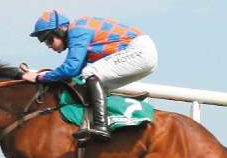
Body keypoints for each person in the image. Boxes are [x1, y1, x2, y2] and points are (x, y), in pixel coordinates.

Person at [24, 10, 158, 141]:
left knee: (90, 73)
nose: (48, 46)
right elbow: (76, 72)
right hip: (141, 54)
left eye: (49, 40)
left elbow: (71, 68)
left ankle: (101, 126)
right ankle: (121, 108)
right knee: (87, 79)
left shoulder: (77, 30)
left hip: (139, 51)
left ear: (60, 30)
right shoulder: (79, 36)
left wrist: (39, 77)